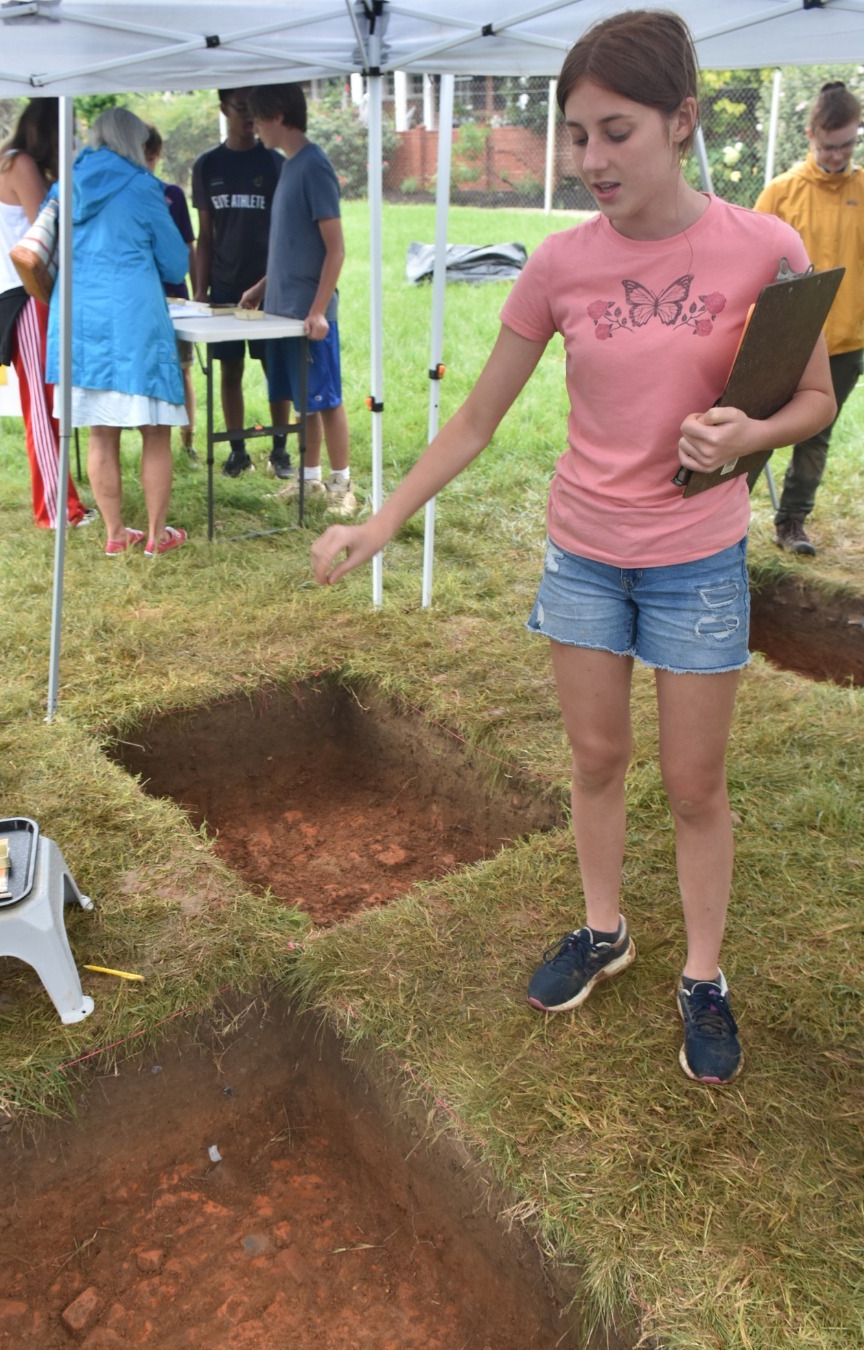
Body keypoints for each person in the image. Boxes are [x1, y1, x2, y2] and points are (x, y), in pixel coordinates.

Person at [311, 11, 836, 1084]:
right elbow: (475, 421)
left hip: (697, 559)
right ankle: (605, 929)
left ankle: (703, 976)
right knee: (595, 761)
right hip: (584, 555)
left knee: (696, 786)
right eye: (575, 134)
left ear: (683, 122)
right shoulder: (558, 264)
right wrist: (382, 518)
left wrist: (753, 432)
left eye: (615, 132)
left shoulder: (767, 248)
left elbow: (817, 399)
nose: (588, 160)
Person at [46, 107, 190, 558]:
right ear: (135, 141)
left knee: (100, 433)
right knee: (156, 431)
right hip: (134, 322)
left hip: (77, 320)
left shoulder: (64, 184)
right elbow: (175, 264)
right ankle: (155, 536)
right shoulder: (145, 188)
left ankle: (114, 534)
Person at [754, 82, 864, 556]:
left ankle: (792, 522)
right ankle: (715, 515)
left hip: (843, 343)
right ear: (809, 135)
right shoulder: (781, 193)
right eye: (828, 145)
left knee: (815, 436)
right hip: (784, 342)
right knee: (753, 430)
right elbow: (748, 265)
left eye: (848, 144)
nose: (838, 155)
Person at [241, 84, 356, 517]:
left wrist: (318, 310)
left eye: (256, 118)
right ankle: (308, 482)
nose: (253, 128)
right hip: (283, 314)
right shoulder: (291, 167)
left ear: (277, 114)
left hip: (311, 318)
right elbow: (294, 246)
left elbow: (335, 248)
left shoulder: (314, 166)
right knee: (303, 401)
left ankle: (342, 485)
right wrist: (261, 287)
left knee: (326, 400)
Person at [0, 98, 93, 530]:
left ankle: (66, 504)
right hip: (25, 298)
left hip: (28, 296)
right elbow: (48, 227)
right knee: (44, 411)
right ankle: (56, 511)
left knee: (50, 405)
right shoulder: (20, 164)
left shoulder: (11, 161)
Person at [191, 88, 293, 480]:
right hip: (225, 287)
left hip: (268, 287)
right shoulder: (207, 166)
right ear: (223, 109)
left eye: (254, 108)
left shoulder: (273, 163)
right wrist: (200, 291)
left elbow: (286, 233)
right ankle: (237, 451)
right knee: (228, 370)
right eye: (240, 108)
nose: (248, 117)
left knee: (274, 368)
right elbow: (205, 234)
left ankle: (281, 448)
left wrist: (271, 282)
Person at [142, 124, 199, 466]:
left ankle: (188, 440)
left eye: (151, 156)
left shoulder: (173, 195)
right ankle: (153, 441)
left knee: (183, 370)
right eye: (141, 156)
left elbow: (188, 248)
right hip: (140, 299)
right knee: (148, 370)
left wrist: (198, 292)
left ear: (158, 155)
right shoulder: (128, 195)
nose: (146, 163)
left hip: (176, 298)